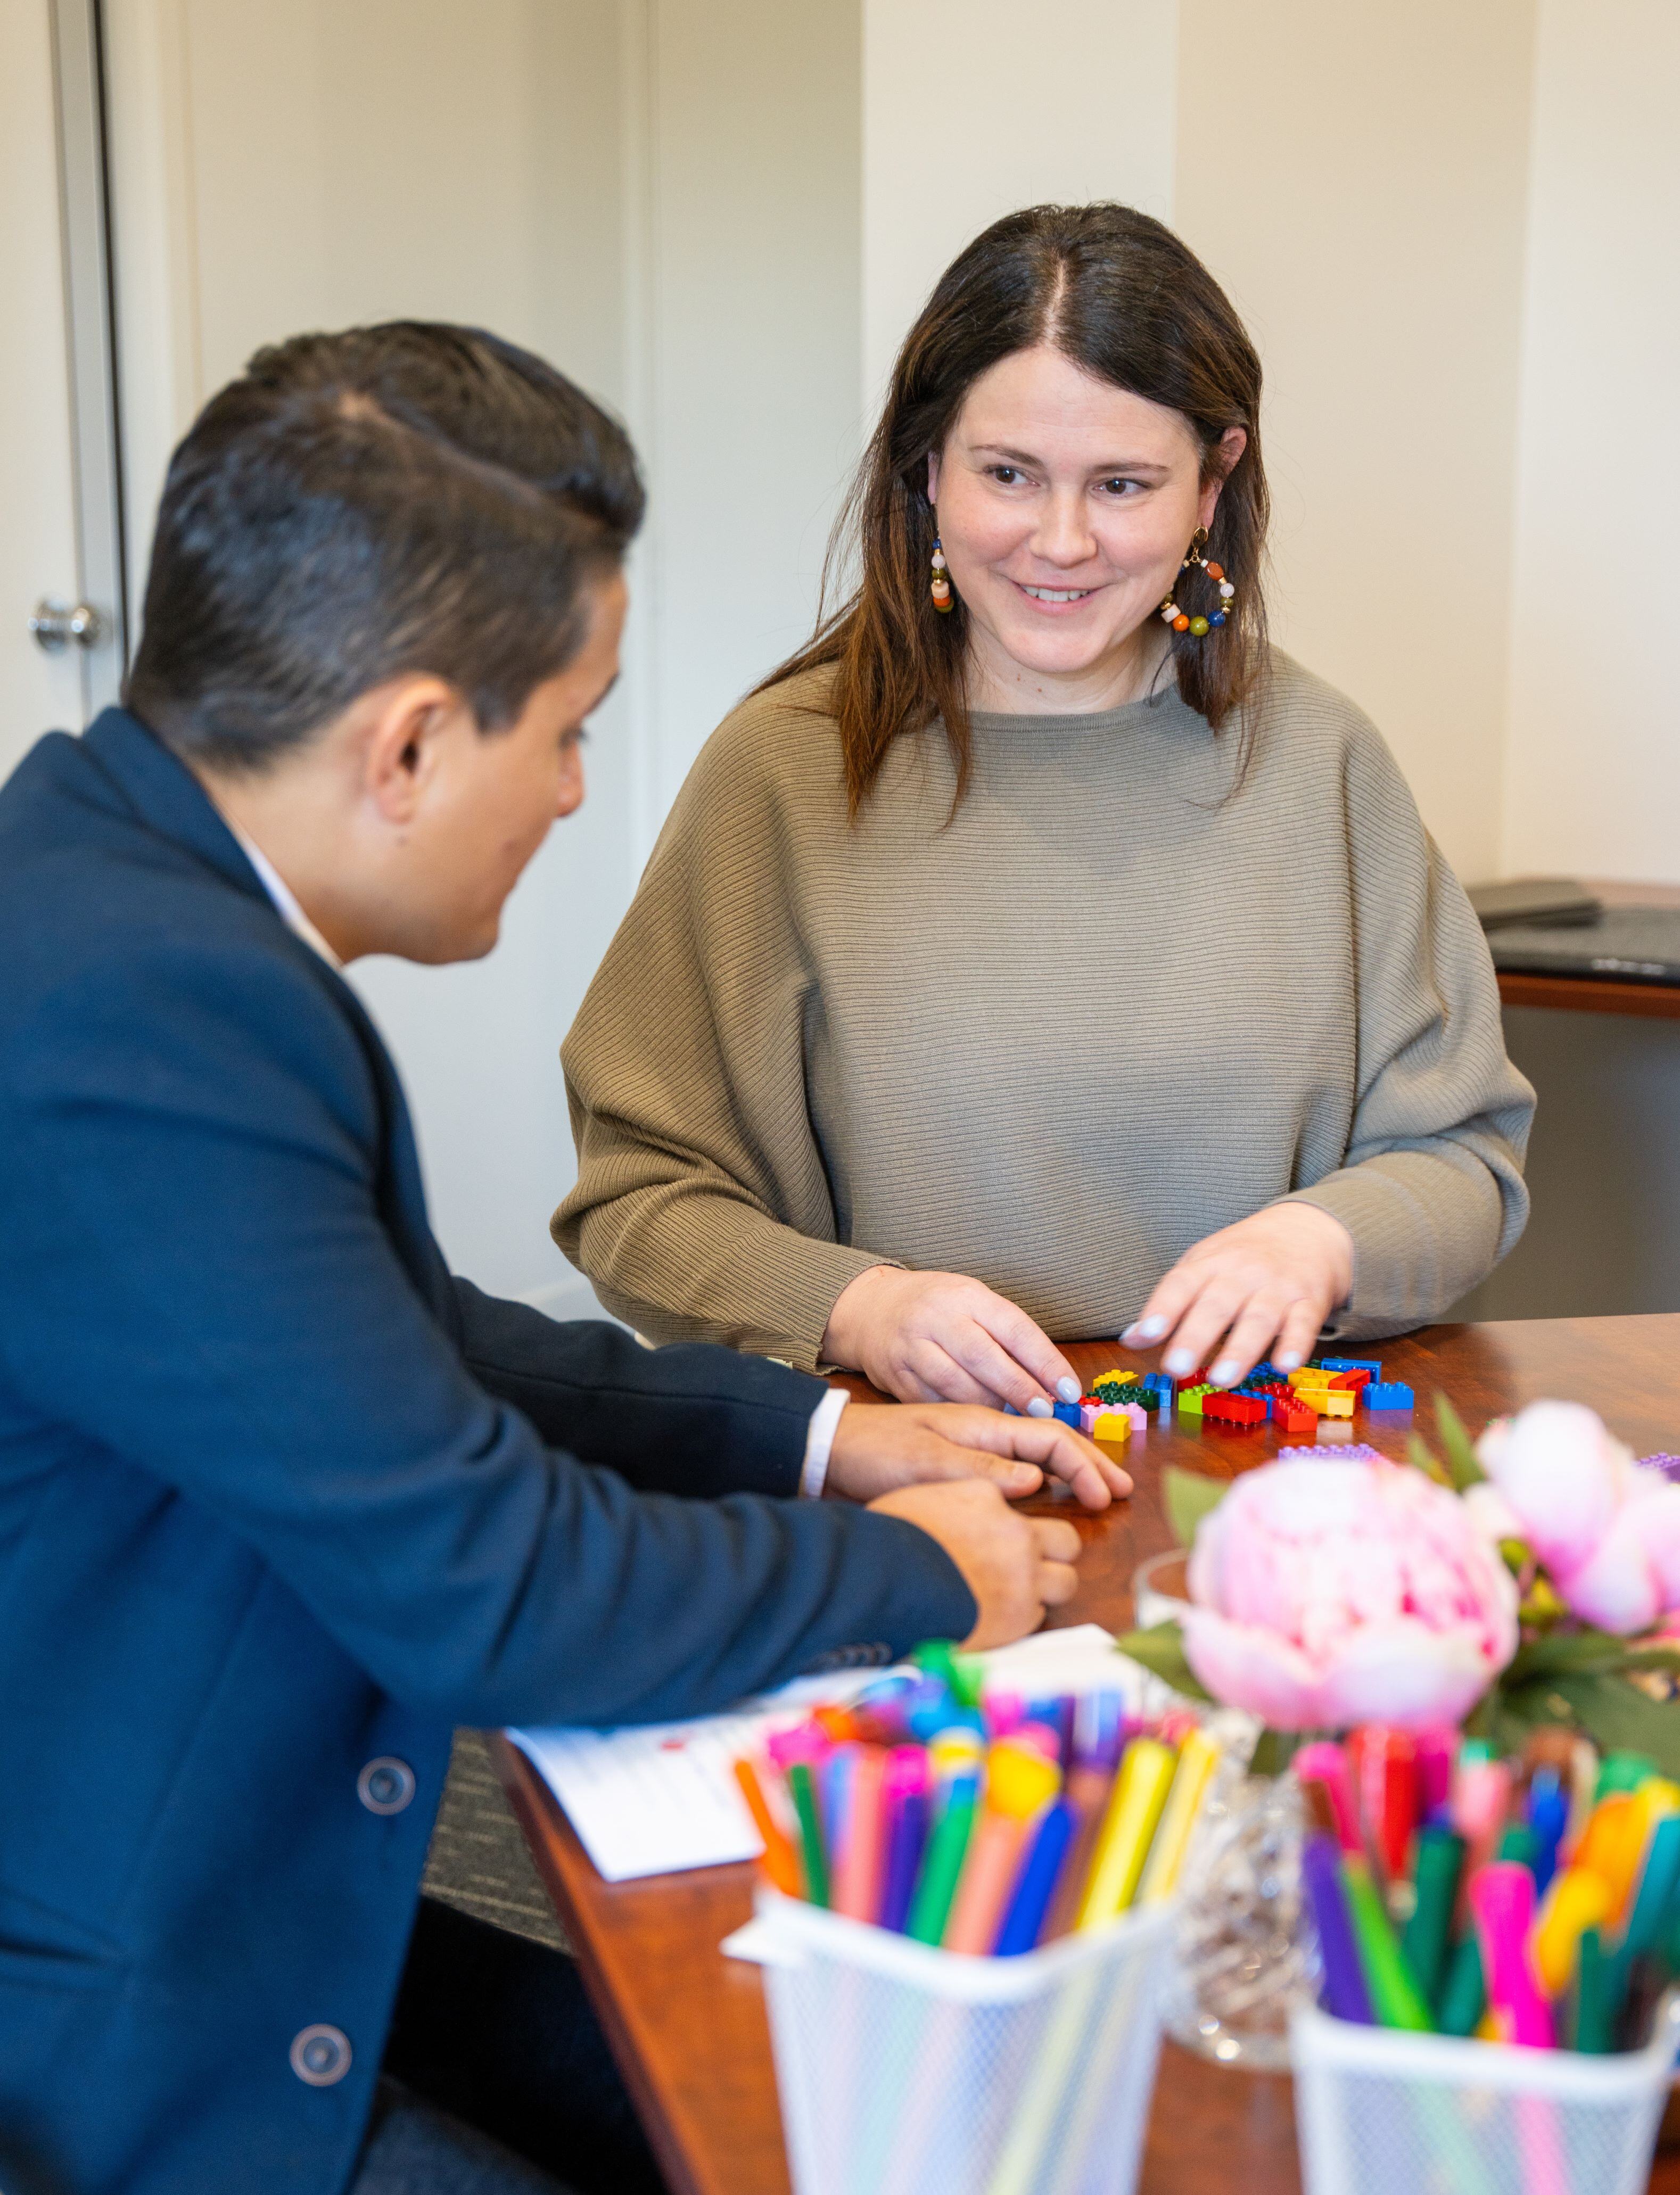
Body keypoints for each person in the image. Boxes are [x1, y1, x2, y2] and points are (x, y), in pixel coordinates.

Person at [0, 324, 1129, 2195]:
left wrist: (815, 1434)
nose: (580, 791)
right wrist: (908, 1569)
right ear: (415, 741)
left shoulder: (111, 881)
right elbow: (494, 1589)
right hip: (129, 2022)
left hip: (241, 1873)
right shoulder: (147, 1019)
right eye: (573, 726)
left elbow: (410, 1346)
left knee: (800, 2097)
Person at [556, 203, 1536, 1406]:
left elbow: (1465, 1157)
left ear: (1213, 484)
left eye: (1123, 484)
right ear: (927, 466)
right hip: (908, 1476)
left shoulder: (1324, 761)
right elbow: (636, 1196)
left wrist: (1319, 1243)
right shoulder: (781, 774)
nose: (1061, 542)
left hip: (1270, 1479)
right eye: (1009, 474)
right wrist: (856, 1308)